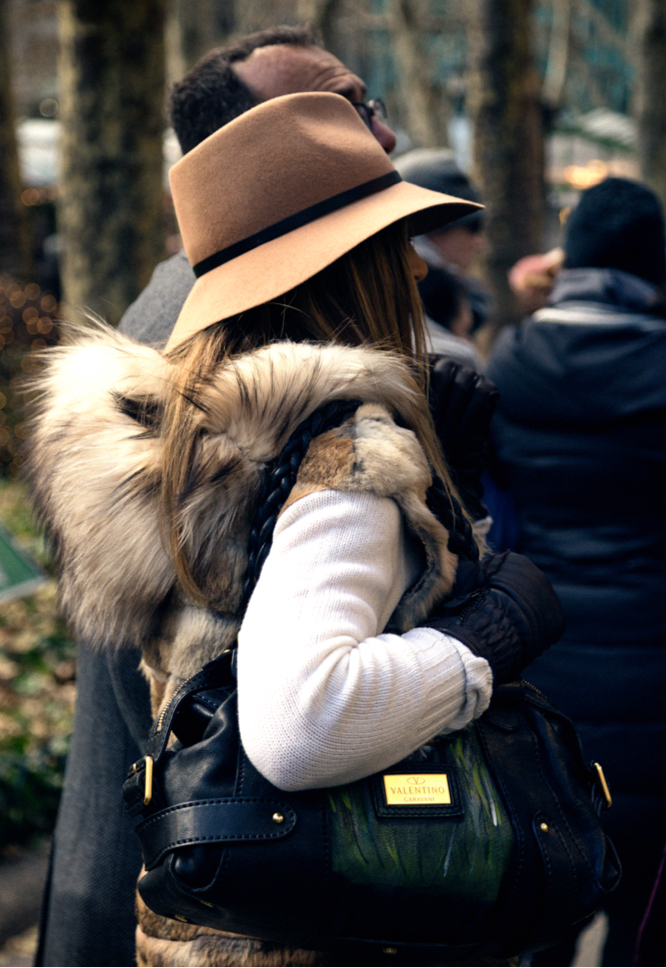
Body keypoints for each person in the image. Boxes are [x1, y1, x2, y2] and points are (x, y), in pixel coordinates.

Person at [29, 93, 564, 968]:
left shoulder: (191, 445)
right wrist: (481, 641)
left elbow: (241, 639)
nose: (420, 272)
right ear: (352, 264)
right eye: (397, 244)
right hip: (342, 927)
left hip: (218, 923)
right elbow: (303, 724)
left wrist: (444, 506)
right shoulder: (339, 452)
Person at [35, 27, 401, 968]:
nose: (377, 130)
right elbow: (211, 692)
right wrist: (473, 637)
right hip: (248, 881)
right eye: (341, 109)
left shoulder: (236, 323)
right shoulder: (213, 340)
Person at [487, 176, 666, 967]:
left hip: (545, 664)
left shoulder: (514, 357)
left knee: (546, 900)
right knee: (646, 913)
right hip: (655, 671)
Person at [394, 147, 490, 369]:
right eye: (473, 226)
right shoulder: (445, 357)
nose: (479, 242)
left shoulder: (457, 300)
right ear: (433, 225)